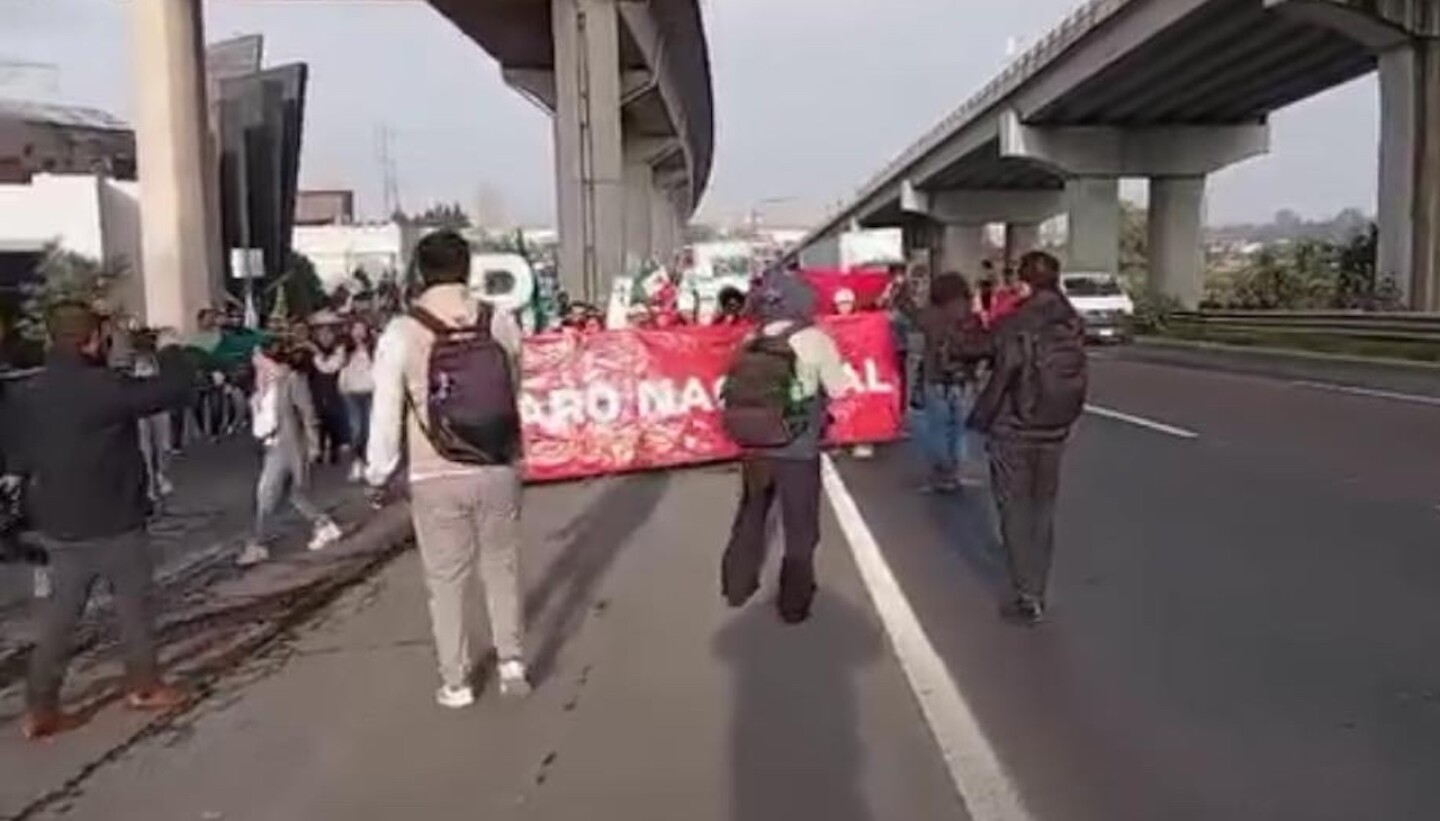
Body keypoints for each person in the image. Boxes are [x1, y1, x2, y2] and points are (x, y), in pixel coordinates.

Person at [6, 302, 195, 739]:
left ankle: (40, 707)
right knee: (134, 608)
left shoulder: (30, 391)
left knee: (59, 619)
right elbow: (175, 389)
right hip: (114, 520)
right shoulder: (104, 387)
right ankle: (143, 686)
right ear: (91, 340)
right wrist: (167, 350)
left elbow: (21, 452)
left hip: (59, 524)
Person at [366, 229, 531, 706]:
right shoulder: (498, 320)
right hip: (497, 464)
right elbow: (514, 386)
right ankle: (512, 662)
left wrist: (379, 473)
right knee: (501, 563)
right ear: (468, 267)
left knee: (446, 578)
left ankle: (456, 682)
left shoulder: (403, 330)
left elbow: (385, 410)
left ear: (419, 271)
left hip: (434, 469)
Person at [720, 271, 849, 625]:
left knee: (751, 514)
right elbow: (838, 389)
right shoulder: (814, 338)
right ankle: (794, 602)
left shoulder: (752, 338)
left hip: (756, 445)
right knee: (800, 528)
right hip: (798, 447)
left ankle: (736, 584)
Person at [968, 251, 1088, 627]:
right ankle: (1039, 583)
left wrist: (980, 312)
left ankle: (1026, 593)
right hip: (1056, 426)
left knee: (1014, 507)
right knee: (1043, 507)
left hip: (1014, 425)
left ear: (1023, 281)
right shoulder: (1071, 320)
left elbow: (975, 348)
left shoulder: (1015, 322)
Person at [236, 339, 343, 567]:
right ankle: (324, 524)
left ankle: (257, 545)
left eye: (260, 361)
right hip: (271, 445)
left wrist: (314, 446)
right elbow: (262, 419)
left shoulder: (292, 380)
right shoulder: (263, 385)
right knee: (293, 494)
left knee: (267, 495)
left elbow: (308, 414)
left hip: (287, 446)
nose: (257, 366)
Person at [897, 272, 989, 492]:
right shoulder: (971, 316)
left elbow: (908, 310)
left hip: (936, 376)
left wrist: (901, 288)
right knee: (960, 428)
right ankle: (955, 472)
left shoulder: (932, 315)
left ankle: (941, 473)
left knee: (937, 427)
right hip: (964, 378)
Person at [131, 328, 175, 505]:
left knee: (163, 446)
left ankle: (161, 475)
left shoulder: (161, 360)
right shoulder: (130, 361)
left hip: (159, 407)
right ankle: (150, 486)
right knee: (145, 450)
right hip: (141, 410)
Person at [308, 320, 350, 465]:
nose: (325, 337)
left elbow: (332, 366)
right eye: (322, 334)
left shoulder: (339, 350)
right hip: (317, 389)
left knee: (334, 420)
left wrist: (318, 354)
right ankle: (318, 449)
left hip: (335, 388)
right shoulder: (312, 350)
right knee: (320, 420)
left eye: (328, 333)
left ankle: (334, 450)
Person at [339, 319, 376, 482]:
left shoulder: (374, 349)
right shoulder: (345, 350)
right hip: (351, 393)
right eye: (356, 329)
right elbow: (337, 367)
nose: (359, 333)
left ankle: (368, 462)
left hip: (369, 392)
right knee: (356, 429)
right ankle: (356, 462)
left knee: (368, 429)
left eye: (362, 329)